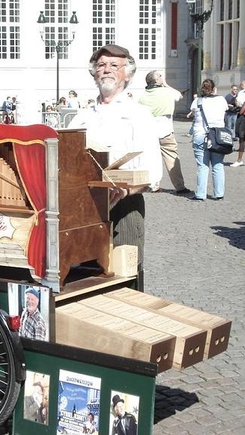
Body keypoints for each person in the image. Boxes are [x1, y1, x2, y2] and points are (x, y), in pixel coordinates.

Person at [68, 44, 164, 285]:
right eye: (101, 65)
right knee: (87, 277)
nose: (106, 70)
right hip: (85, 211)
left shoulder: (139, 115)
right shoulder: (81, 116)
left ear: (127, 74)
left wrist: (125, 190)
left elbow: (152, 172)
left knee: (126, 275)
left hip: (125, 208)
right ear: (94, 73)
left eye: (114, 65)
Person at [138, 70, 192, 194]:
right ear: (157, 80)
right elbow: (179, 95)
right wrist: (166, 84)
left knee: (151, 158)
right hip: (166, 130)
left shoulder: (142, 96)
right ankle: (179, 186)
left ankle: (154, 184)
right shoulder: (167, 92)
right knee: (172, 158)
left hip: (149, 132)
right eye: (161, 76)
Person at [188, 79, 228, 201]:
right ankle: (219, 193)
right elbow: (225, 113)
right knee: (218, 164)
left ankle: (200, 194)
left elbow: (194, 114)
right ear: (214, 88)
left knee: (202, 166)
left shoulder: (197, 101)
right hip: (217, 136)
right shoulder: (221, 100)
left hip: (201, 134)